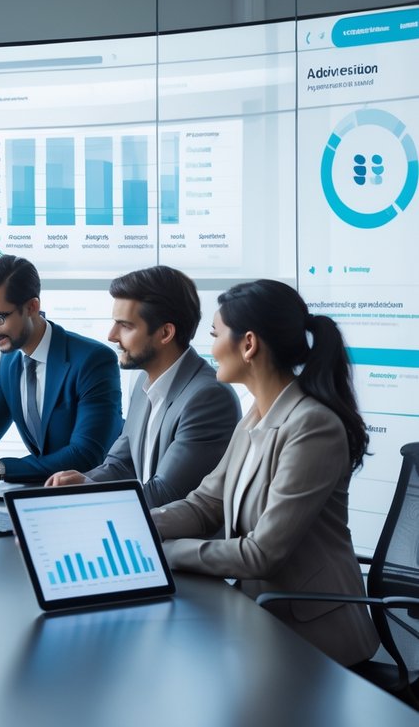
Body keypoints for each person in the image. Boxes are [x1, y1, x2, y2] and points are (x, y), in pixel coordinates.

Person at [152, 280, 378, 666]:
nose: (211, 348)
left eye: (215, 334)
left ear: (249, 344)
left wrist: (162, 552)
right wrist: (135, 525)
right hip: (260, 618)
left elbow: (262, 554)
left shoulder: (312, 426)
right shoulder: (255, 418)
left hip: (314, 639)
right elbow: (207, 504)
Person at [46, 266, 240, 506]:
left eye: (125, 325)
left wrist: (88, 499)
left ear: (165, 333)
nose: (111, 335)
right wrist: (84, 482)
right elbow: (120, 464)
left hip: (179, 539)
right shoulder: (142, 381)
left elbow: (165, 494)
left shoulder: (208, 398)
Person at [0, 255, 122, 483]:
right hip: (42, 492)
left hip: (92, 492)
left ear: (32, 307)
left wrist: (2, 468)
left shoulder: (93, 360)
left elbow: (86, 453)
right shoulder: (10, 361)